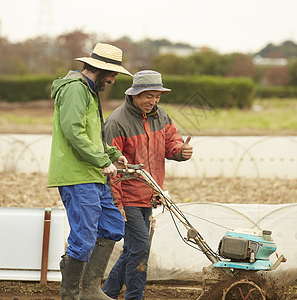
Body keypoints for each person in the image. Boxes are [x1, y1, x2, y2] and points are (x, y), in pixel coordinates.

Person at [47, 43, 132, 300]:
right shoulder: (75, 90)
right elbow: (73, 131)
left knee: (112, 226)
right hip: (77, 176)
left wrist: (113, 155)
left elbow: (91, 137)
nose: (113, 79)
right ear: (99, 69)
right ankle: (72, 295)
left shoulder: (89, 92)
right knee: (83, 238)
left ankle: (91, 290)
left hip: (93, 174)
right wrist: (100, 160)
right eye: (112, 74)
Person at [102, 70, 193, 300]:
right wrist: (117, 205)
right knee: (141, 248)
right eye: (148, 96)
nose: (153, 101)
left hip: (150, 194)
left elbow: (172, 142)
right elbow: (110, 168)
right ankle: (135, 296)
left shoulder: (160, 116)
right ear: (134, 95)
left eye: (157, 96)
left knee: (134, 249)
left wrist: (181, 151)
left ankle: (108, 293)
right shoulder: (116, 122)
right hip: (128, 197)